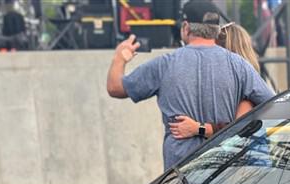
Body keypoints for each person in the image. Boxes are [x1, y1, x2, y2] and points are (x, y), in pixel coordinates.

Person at [106, 0, 273, 170]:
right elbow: (271, 103)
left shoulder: (164, 64)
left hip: (179, 175)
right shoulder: (239, 65)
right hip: (223, 172)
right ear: (215, 31)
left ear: (186, 27)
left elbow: (115, 88)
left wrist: (119, 58)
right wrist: (243, 108)